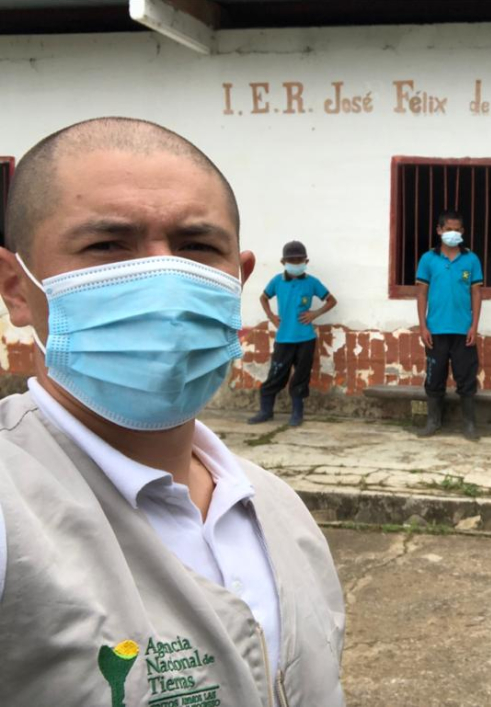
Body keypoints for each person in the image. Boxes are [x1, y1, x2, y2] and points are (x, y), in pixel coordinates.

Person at [0, 118, 345, 705]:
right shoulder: (14, 511)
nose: (162, 276)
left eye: (197, 247)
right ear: (15, 286)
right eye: (108, 246)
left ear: (234, 278)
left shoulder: (279, 512)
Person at [247, 240, 337, 427]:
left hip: (306, 339)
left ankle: (297, 413)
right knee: (276, 374)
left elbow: (331, 300)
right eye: (292, 260)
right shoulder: (277, 281)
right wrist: (271, 316)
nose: (296, 264)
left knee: (301, 377)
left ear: (306, 261)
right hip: (284, 339)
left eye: (299, 260)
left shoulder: (312, 282)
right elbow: (263, 297)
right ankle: (266, 411)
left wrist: (315, 314)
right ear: (283, 262)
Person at [415, 210, 484, 441]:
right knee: (434, 377)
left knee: (466, 376)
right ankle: (433, 421)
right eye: (448, 229)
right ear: (439, 230)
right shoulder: (428, 259)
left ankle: (469, 424)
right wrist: (423, 326)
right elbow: (422, 293)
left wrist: (474, 326)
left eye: (457, 229)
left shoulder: (471, 259)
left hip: (463, 331)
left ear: (462, 232)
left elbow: (476, 293)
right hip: (435, 331)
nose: (452, 233)